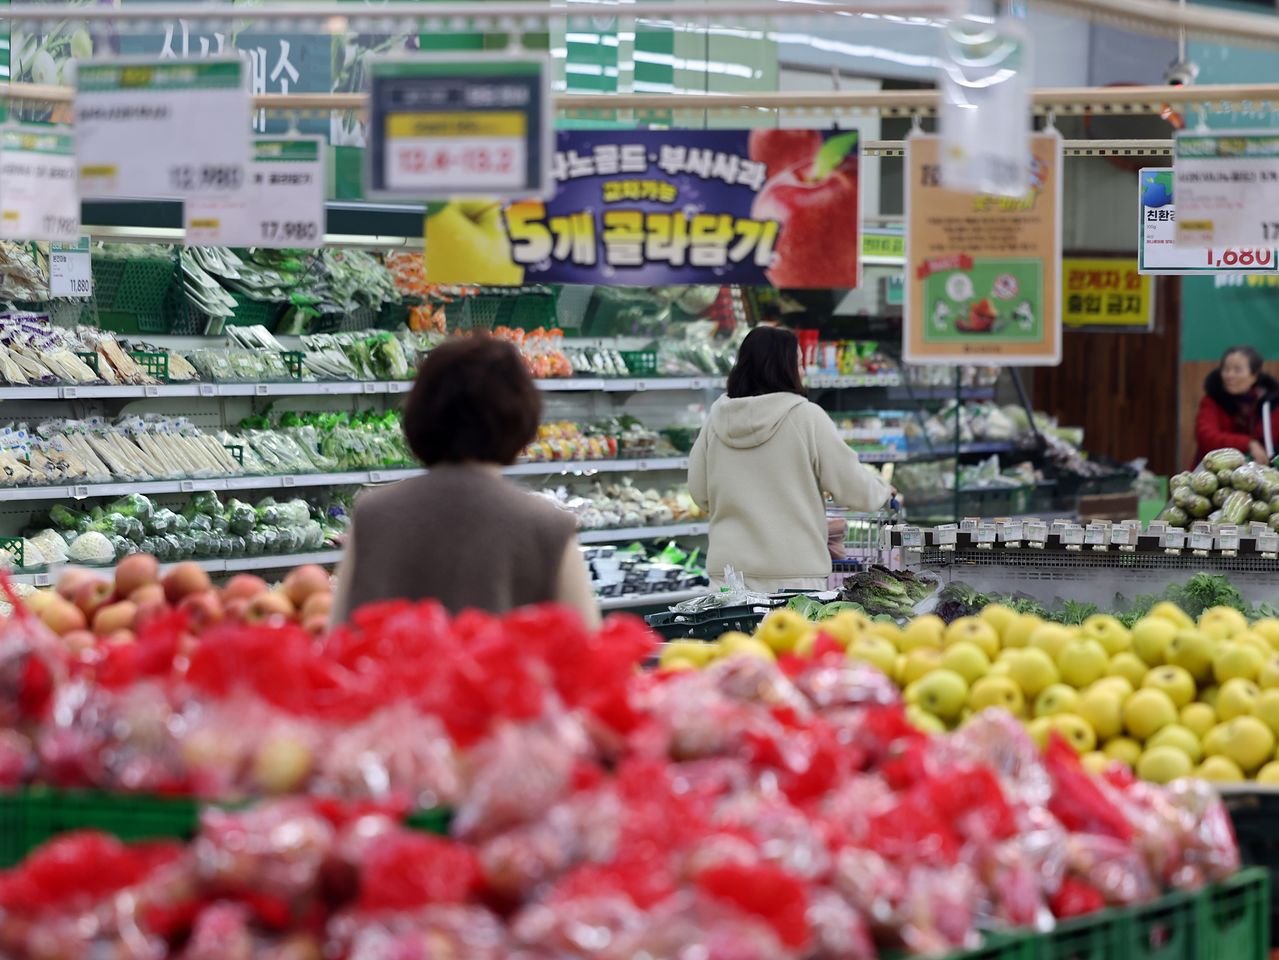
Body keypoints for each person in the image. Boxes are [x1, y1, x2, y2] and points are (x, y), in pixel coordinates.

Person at [330, 337, 600, 627]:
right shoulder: (548, 528)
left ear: (419, 413)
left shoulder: (374, 515)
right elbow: (587, 653)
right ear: (520, 418)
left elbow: (339, 638)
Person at [688, 326, 892, 594]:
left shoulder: (716, 420)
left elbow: (699, 493)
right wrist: (883, 491)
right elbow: (854, 489)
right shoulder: (806, 417)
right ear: (783, 368)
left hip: (728, 579)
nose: (804, 371)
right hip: (794, 580)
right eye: (799, 362)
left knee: (732, 638)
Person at [1194, 345, 1279, 466]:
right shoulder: (1212, 401)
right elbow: (1206, 437)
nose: (1229, 375)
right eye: (1226, 369)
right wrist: (1248, 443)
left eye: (1237, 370)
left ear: (1254, 375)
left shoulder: (1270, 404)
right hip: (1212, 471)